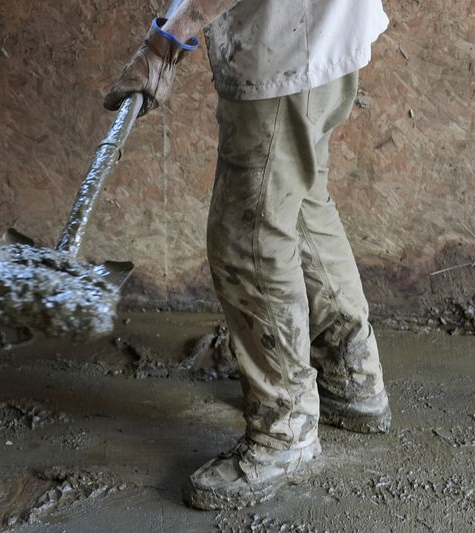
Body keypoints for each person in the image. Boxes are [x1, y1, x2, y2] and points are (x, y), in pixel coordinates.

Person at [105, 0, 392, 511]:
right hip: (321, 33)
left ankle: (286, 431)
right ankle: (353, 375)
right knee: (301, 201)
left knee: (249, 234)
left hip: (286, 44)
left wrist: (166, 42)